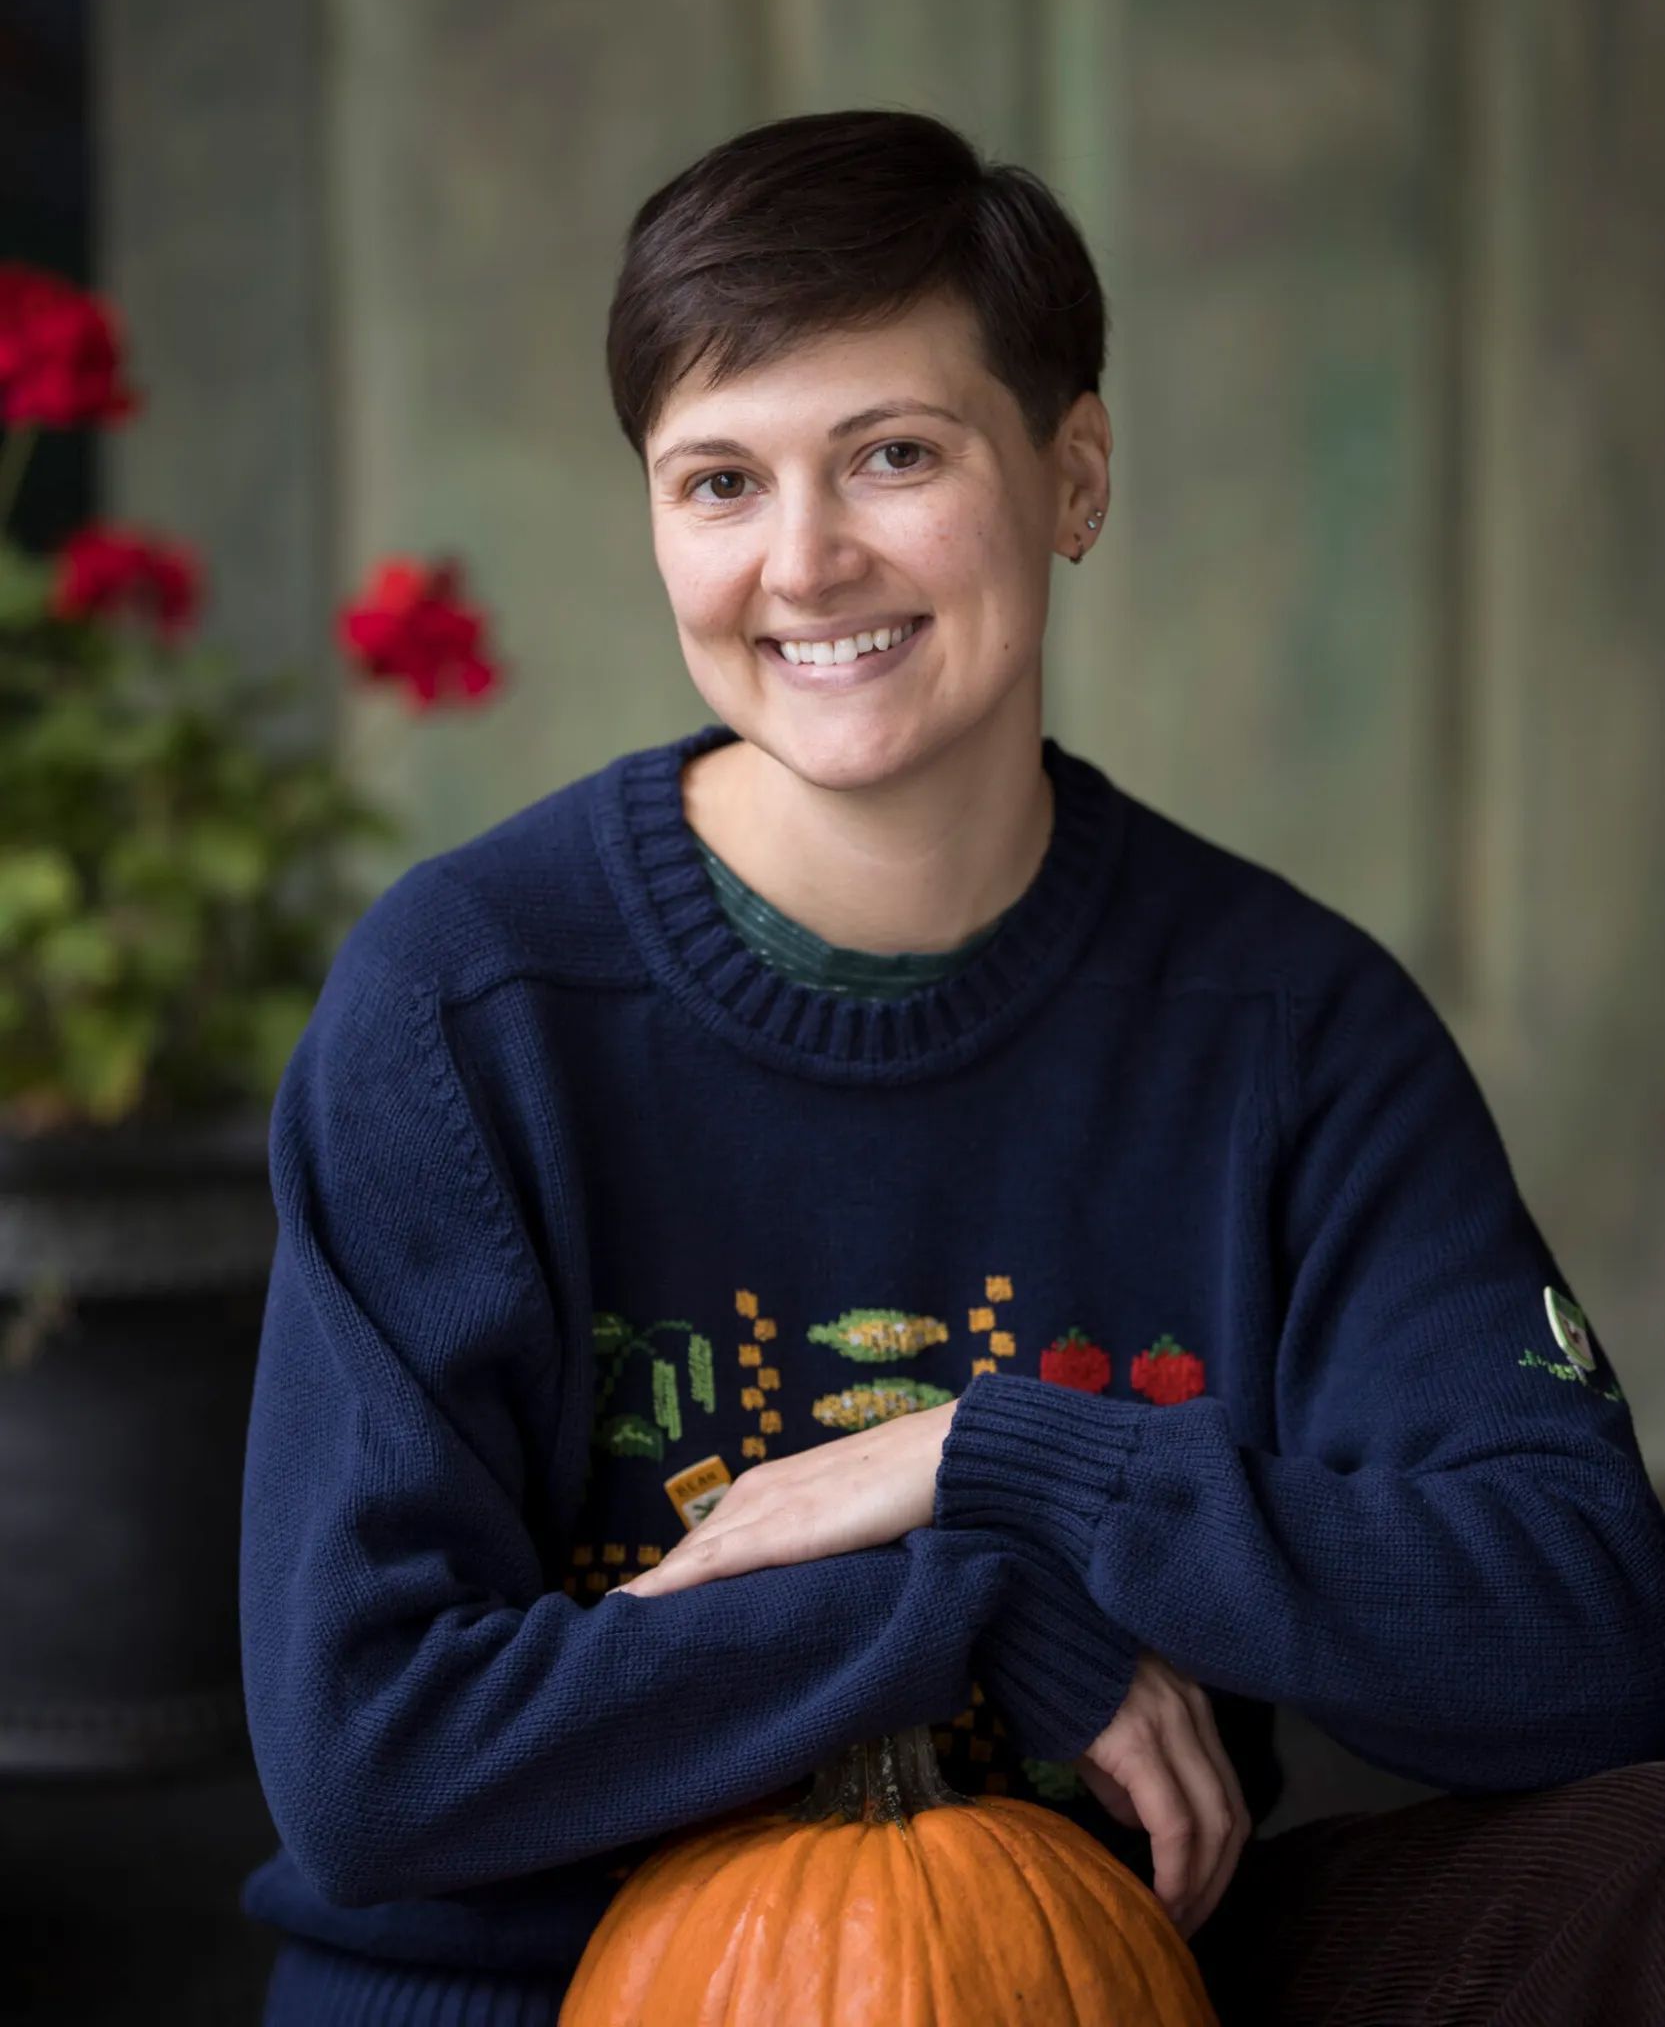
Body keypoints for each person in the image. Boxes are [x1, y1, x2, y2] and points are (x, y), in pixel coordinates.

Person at [241, 108, 1665, 2025]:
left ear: (1072, 473)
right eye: (719, 482)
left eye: (894, 457)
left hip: (1096, 1963)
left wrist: (1014, 1464)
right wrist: (969, 1602)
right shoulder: (468, 1005)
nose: (806, 563)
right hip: (556, 1983)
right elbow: (368, 1755)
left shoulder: (1282, 1030)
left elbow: (1592, 1630)